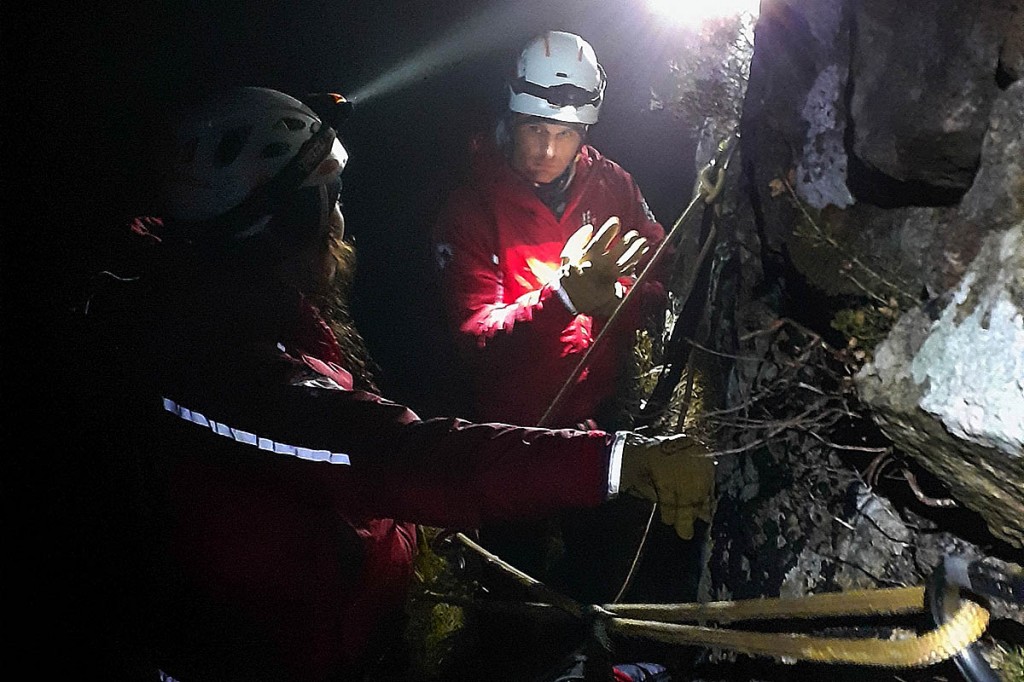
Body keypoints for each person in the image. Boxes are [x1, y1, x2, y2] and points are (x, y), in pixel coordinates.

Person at [71, 85, 708, 682]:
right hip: (289, 655)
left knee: (584, 583)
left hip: (352, 610)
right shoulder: (222, 366)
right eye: (328, 202)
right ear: (286, 224)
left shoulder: (241, 318)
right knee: (519, 622)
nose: (341, 225)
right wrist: (615, 457)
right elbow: (393, 452)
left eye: (563, 132)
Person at [431, 31, 714, 603]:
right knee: (512, 590)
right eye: (535, 130)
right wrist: (561, 300)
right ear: (512, 119)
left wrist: (619, 299)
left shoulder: (613, 187)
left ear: (584, 132)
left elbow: (667, 280)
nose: (547, 150)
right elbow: (475, 340)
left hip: (600, 419)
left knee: (600, 583)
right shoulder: (471, 210)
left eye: (563, 134)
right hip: (512, 434)